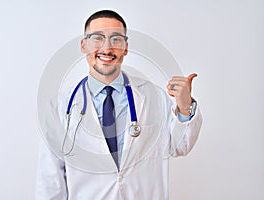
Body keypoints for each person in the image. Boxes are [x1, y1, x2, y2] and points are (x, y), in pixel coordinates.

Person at [36, 10, 202, 200]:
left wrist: (184, 107)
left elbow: (179, 147)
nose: (107, 48)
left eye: (116, 39)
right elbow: (50, 181)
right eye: (98, 38)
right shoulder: (58, 108)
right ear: (84, 44)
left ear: (126, 47)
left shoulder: (154, 96)